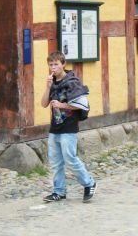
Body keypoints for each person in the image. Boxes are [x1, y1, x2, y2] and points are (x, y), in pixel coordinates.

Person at [40, 50, 96, 203]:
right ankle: (59, 192)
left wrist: (62, 105)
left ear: (63, 64)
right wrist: (47, 87)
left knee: (70, 159)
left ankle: (89, 183)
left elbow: (82, 104)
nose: (53, 67)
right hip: (55, 127)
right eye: (51, 65)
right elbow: (44, 104)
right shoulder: (52, 82)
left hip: (69, 127)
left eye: (56, 64)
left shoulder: (72, 82)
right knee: (55, 162)